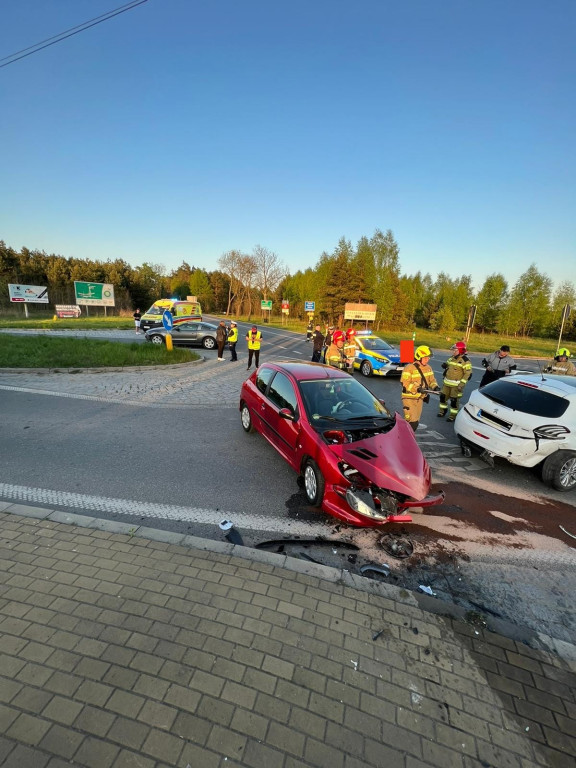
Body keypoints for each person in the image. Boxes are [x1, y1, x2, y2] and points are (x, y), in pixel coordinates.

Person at [400, 345, 440, 432]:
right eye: (425, 358)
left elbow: (432, 380)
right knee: (411, 422)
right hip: (409, 398)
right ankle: (403, 440)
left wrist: (435, 387)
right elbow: (405, 383)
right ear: (419, 357)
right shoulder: (409, 368)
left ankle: (406, 438)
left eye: (428, 358)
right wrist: (417, 388)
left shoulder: (428, 368)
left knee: (416, 422)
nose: (427, 359)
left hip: (420, 398)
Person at [438, 341, 473, 422]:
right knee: (442, 397)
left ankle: (453, 416)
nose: (453, 352)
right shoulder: (452, 358)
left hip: (456, 385)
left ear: (460, 351)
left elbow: (468, 373)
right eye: (453, 350)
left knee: (454, 401)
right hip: (446, 383)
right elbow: (448, 364)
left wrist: (461, 384)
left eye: (455, 350)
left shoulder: (465, 361)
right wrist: (445, 365)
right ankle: (442, 411)